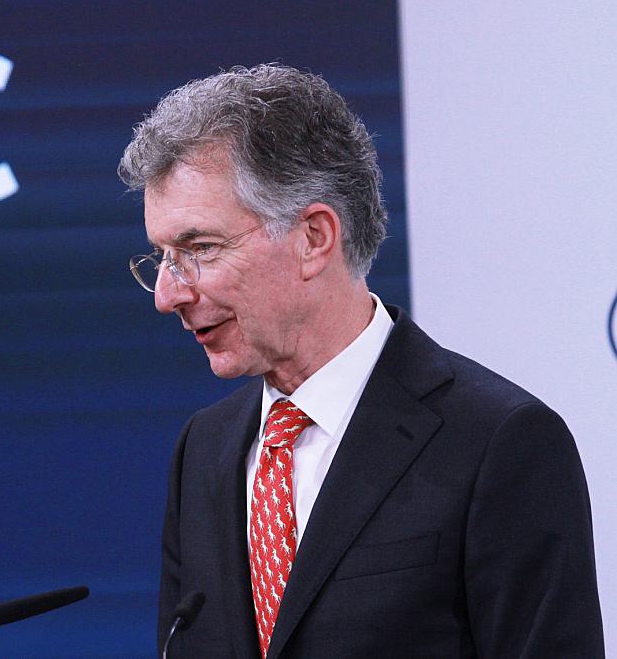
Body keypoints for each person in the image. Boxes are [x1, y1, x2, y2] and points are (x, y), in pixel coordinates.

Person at [117, 64, 604, 658]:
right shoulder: (204, 449)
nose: (168, 295)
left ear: (314, 238)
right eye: (162, 258)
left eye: (200, 249)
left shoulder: (498, 443)